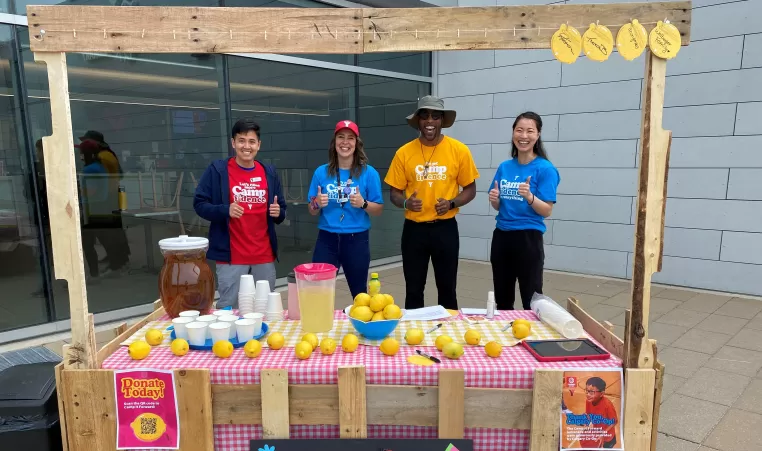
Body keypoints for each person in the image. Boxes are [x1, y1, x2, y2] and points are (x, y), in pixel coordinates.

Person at [384, 96, 479, 310]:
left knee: (447, 288)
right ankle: (415, 337)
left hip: (445, 229)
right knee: (414, 289)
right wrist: (407, 203)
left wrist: (452, 203)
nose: (430, 121)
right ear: (418, 120)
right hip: (414, 231)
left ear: (442, 121)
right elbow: (394, 193)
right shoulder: (404, 153)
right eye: (424, 116)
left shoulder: (459, 150)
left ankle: (448, 336)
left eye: (435, 116)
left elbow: (470, 189)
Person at [193, 118, 287, 309]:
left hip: (264, 256)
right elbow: (199, 204)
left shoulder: (269, 172)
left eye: (252, 141)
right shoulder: (218, 170)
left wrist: (278, 213)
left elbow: (281, 210)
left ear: (258, 145)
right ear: (233, 143)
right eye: (242, 140)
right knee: (230, 309)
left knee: (263, 309)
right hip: (232, 258)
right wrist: (225, 209)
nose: (247, 146)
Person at [488, 112, 560, 310]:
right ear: (513, 133)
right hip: (502, 237)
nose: (524, 136)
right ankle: (504, 338)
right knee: (502, 298)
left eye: (530, 131)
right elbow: (498, 205)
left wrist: (530, 198)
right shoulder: (505, 167)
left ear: (538, 135)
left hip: (528, 238)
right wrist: (495, 200)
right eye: (519, 130)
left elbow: (547, 211)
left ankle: (532, 339)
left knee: (532, 298)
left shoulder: (545, 169)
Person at [307, 120, 384, 299]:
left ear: (357, 144)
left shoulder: (369, 173)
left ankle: (360, 326)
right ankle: (320, 325)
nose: (345, 142)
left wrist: (363, 203)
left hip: (356, 239)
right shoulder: (321, 172)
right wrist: (316, 203)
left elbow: (378, 209)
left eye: (350, 138)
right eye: (341, 137)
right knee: (319, 292)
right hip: (327, 239)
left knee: (359, 294)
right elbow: (311, 210)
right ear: (334, 143)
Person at [579, 377, 618, 449]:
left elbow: (614, 421)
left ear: (602, 394)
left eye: (591, 392)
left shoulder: (607, 405)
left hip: (608, 435)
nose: (587, 394)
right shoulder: (588, 401)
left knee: (608, 447)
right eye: (586, 391)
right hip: (597, 432)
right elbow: (588, 414)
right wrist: (586, 425)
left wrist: (603, 434)